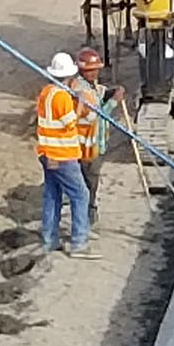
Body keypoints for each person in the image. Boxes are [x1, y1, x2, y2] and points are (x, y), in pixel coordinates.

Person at [37, 52, 99, 259]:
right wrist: (80, 103)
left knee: (52, 195)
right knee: (80, 194)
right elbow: (70, 122)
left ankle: (49, 239)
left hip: (46, 152)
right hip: (62, 154)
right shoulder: (62, 96)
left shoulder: (46, 93)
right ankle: (79, 242)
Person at [70, 47, 125, 231]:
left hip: (95, 143)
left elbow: (99, 94)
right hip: (87, 147)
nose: (94, 73)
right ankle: (86, 218)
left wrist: (110, 93)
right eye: (90, 71)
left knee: (90, 183)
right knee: (88, 184)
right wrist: (114, 101)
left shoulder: (89, 86)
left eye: (96, 70)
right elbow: (98, 114)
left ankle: (87, 215)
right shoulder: (81, 90)